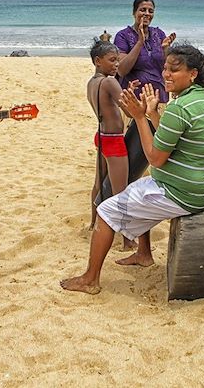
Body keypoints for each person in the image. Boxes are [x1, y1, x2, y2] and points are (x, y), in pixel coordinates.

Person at [61, 45, 204, 294]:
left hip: (179, 192)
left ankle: (90, 279)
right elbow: (170, 139)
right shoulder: (202, 100)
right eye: (165, 68)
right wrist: (151, 114)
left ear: (193, 74)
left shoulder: (180, 108)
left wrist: (139, 117)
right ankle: (143, 253)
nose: (166, 74)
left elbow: (155, 158)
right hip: (198, 187)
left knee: (106, 211)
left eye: (174, 69)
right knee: (137, 188)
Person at [109, 0, 176, 255]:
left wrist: (167, 49)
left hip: (158, 99)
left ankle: (140, 195)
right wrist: (139, 39)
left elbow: (167, 68)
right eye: (142, 10)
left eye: (150, 10)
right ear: (134, 12)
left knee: (155, 148)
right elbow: (122, 68)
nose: (146, 14)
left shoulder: (159, 34)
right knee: (134, 151)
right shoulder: (123, 36)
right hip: (134, 100)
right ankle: (125, 200)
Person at [86, 40, 136, 250]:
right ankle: (127, 240)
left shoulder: (92, 82)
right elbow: (127, 110)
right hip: (115, 139)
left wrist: (127, 91)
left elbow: (110, 104)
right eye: (112, 60)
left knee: (99, 182)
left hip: (101, 136)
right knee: (120, 191)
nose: (117, 65)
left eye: (118, 60)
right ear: (98, 61)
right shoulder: (109, 82)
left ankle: (93, 223)